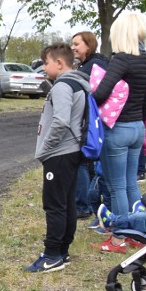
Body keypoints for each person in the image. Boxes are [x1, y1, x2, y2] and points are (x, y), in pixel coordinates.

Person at [92, 12, 146, 249]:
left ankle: (119, 236)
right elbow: (144, 101)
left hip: (118, 128)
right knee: (131, 183)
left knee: (116, 185)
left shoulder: (121, 59)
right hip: (137, 127)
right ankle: (140, 232)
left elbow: (101, 93)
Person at [24, 43, 89, 273]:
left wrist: (45, 149)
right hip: (71, 153)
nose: (43, 67)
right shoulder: (78, 83)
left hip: (59, 154)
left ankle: (51, 255)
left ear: (59, 63)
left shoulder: (62, 86)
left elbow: (60, 121)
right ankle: (63, 250)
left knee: (54, 205)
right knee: (66, 202)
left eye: (45, 63)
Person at [71, 30, 109, 222]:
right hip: (87, 120)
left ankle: (83, 205)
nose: (73, 47)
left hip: (93, 122)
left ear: (88, 44)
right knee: (88, 165)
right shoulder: (86, 64)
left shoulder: (95, 65)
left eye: (76, 44)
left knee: (83, 162)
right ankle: (88, 203)